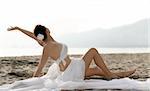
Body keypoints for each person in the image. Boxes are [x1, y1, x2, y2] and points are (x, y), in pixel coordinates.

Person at [7, 25, 135, 81]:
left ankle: (119, 74)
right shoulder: (47, 47)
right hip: (73, 69)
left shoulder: (46, 43)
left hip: (70, 70)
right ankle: (110, 76)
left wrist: (19, 29)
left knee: (96, 69)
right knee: (93, 51)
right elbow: (40, 67)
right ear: (46, 30)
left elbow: (32, 36)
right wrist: (33, 80)